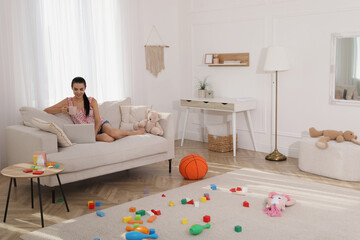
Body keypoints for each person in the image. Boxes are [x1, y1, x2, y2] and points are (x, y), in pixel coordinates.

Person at [44, 77, 145, 142]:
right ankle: (112, 134)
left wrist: (94, 134)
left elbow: (97, 119)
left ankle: (132, 133)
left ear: (85, 88)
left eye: (81, 89)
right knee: (109, 139)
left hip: (100, 124)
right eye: (76, 89)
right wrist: (61, 110)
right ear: (72, 88)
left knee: (113, 133)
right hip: (86, 131)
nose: (78, 92)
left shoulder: (92, 100)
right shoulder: (68, 101)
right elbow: (47, 110)